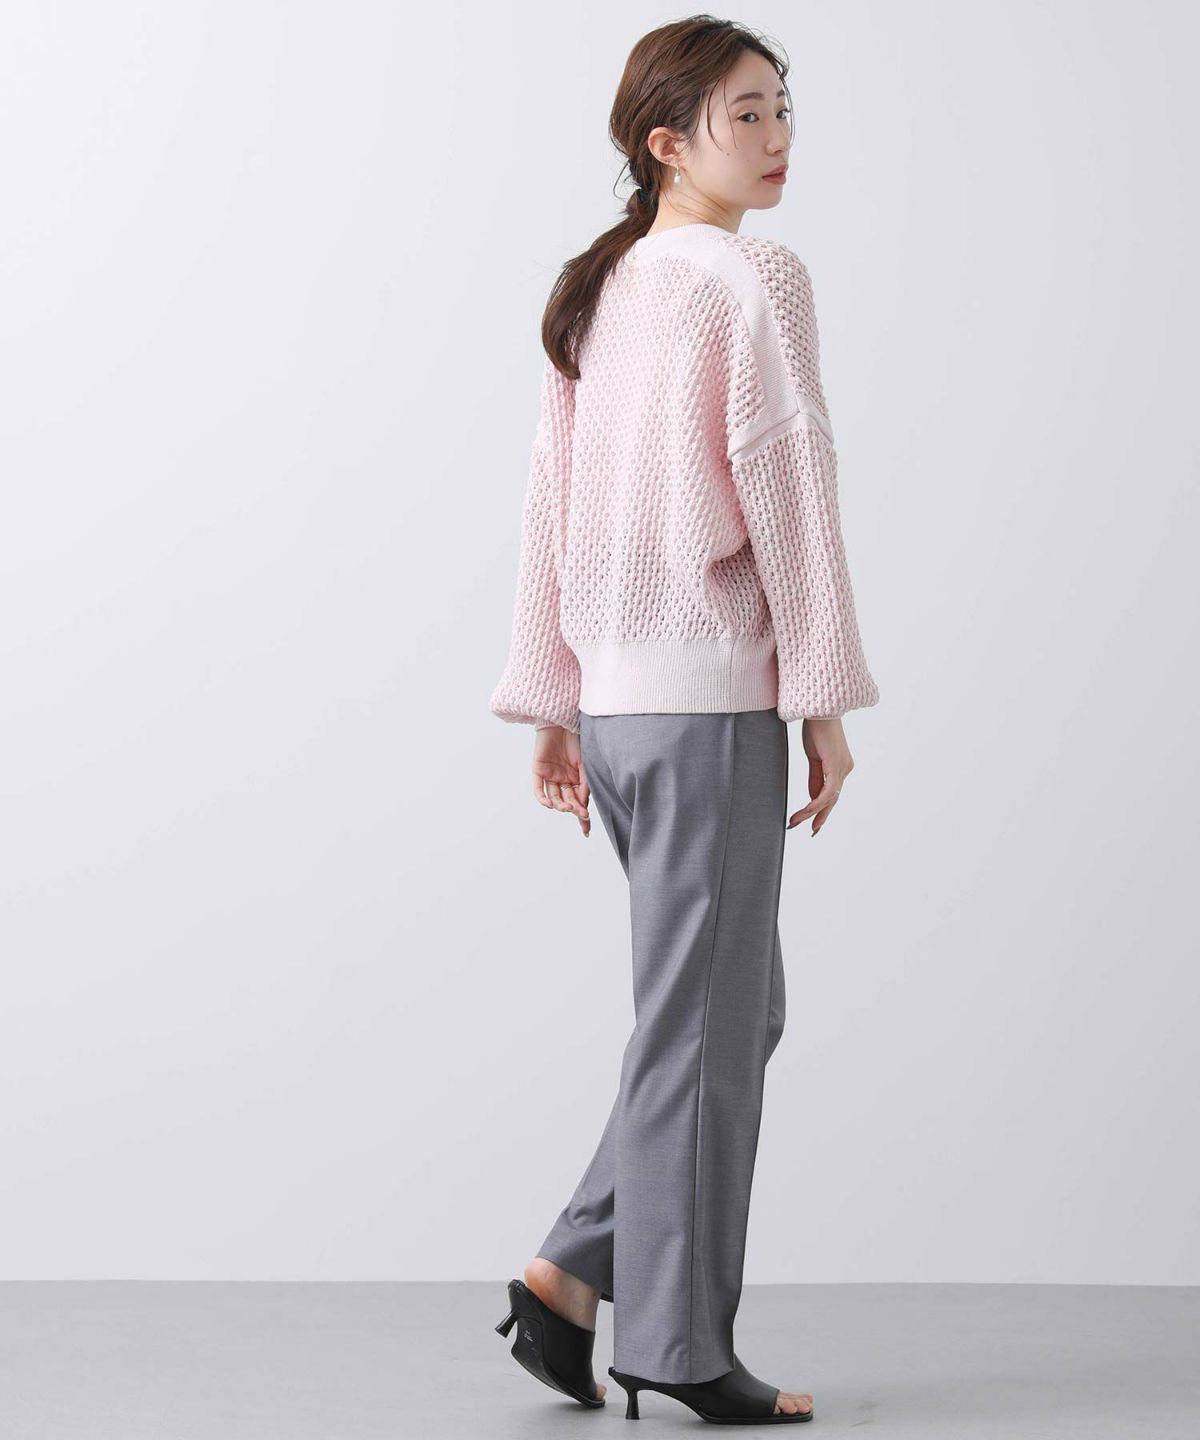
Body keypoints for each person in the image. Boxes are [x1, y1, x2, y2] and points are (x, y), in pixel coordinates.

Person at [488, 15, 880, 1427]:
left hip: (618, 711)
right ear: (666, 143)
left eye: (783, 110)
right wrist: (821, 695)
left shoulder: (599, 290)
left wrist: (553, 698)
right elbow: (790, 486)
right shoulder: (754, 277)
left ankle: (568, 1277)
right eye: (745, 117)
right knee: (702, 1030)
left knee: (724, 1012)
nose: (777, 141)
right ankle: (677, 1342)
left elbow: (552, 507)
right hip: (707, 703)